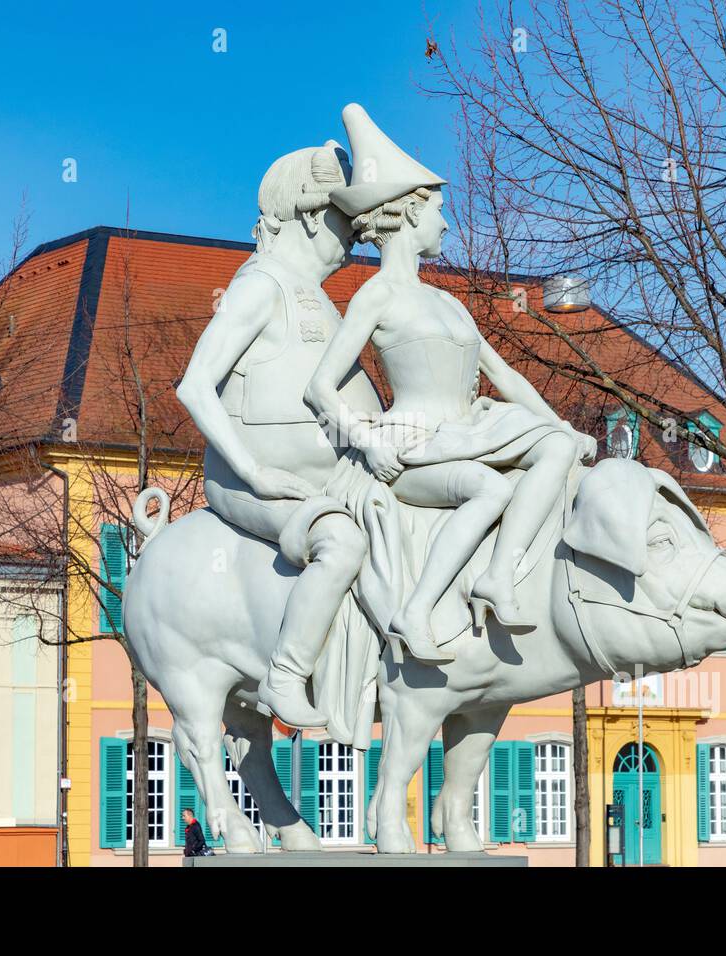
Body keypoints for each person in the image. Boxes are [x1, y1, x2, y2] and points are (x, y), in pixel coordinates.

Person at [307, 105, 595, 664]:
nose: (445, 224)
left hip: (469, 429)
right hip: (414, 445)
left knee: (557, 446)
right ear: (408, 215)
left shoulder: (450, 303)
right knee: (491, 489)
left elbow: (504, 376)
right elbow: (322, 386)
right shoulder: (377, 296)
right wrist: (365, 441)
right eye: (438, 211)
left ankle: (497, 575)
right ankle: (416, 611)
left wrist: (561, 425)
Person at [176, 140, 384, 728]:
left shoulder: (315, 296)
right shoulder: (261, 284)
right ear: (314, 216)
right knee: (341, 543)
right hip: (254, 483)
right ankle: (287, 674)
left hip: (327, 476)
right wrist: (252, 470)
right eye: (349, 220)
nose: (358, 235)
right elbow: (195, 385)